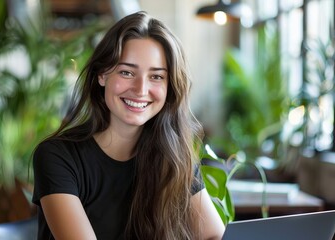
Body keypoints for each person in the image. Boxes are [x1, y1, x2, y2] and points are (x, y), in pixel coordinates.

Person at [32, 11, 224, 240]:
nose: (141, 89)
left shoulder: (175, 158)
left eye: (156, 77)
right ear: (102, 75)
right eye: (127, 72)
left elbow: (215, 236)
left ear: (169, 86)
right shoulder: (57, 156)